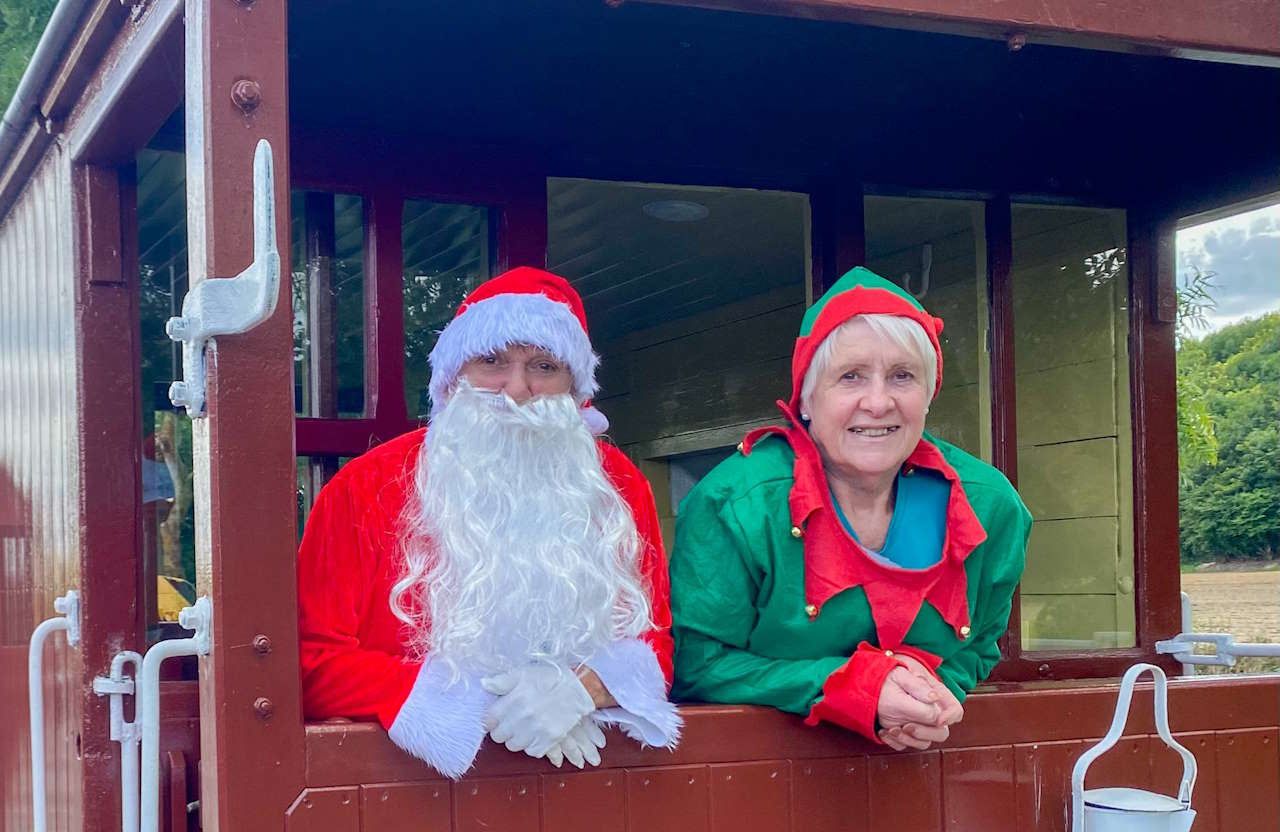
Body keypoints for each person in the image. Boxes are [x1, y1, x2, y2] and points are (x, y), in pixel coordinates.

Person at [297, 267, 680, 778]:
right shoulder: (365, 488)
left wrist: (586, 688)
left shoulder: (619, 486)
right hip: (404, 803)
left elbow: (654, 639)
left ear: (575, 390)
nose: (516, 390)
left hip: (586, 796)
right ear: (453, 377)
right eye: (492, 360)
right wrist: (477, 701)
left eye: (544, 365)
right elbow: (311, 664)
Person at [669, 267, 1031, 751]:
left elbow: (980, 645)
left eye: (903, 376)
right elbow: (697, 664)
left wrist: (930, 694)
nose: (878, 402)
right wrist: (856, 687)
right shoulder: (736, 504)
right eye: (851, 377)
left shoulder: (991, 506)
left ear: (928, 395)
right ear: (806, 400)